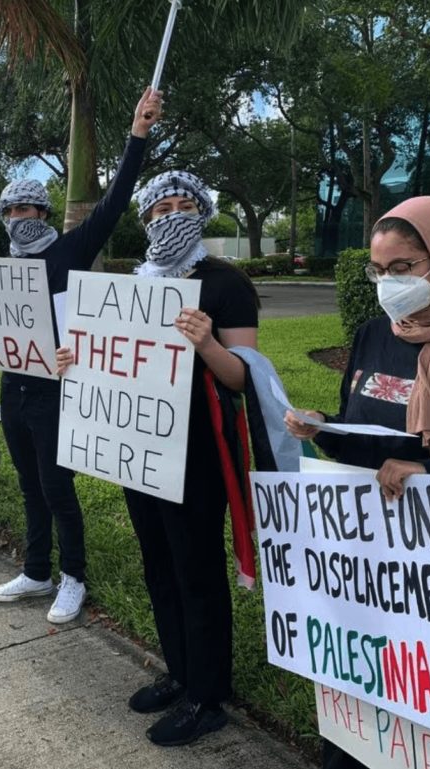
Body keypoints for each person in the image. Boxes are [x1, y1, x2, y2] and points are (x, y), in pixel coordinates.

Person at [283, 196, 430, 769]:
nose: (387, 282)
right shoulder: (374, 334)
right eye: (378, 269)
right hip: (363, 558)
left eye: (403, 267)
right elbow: (360, 434)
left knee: (427, 713)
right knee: (356, 713)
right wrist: (323, 429)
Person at [0, 87, 160, 624]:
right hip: (13, 387)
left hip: (59, 388)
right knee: (29, 484)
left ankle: (73, 576)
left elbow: (117, 198)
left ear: (44, 210)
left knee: (57, 488)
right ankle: (37, 571)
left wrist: (137, 135)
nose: (18, 216)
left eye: (27, 207)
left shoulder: (71, 249)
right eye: (9, 210)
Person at [58, 170, 259, 745]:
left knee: (196, 570)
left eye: (181, 204)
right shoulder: (136, 284)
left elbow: (245, 377)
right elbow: (115, 357)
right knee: (158, 565)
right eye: (158, 208)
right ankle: (180, 671)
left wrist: (208, 344)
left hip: (196, 451)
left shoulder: (225, 283)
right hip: (137, 449)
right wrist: (79, 357)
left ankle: (209, 694)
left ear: (201, 210)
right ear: (145, 221)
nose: (169, 213)